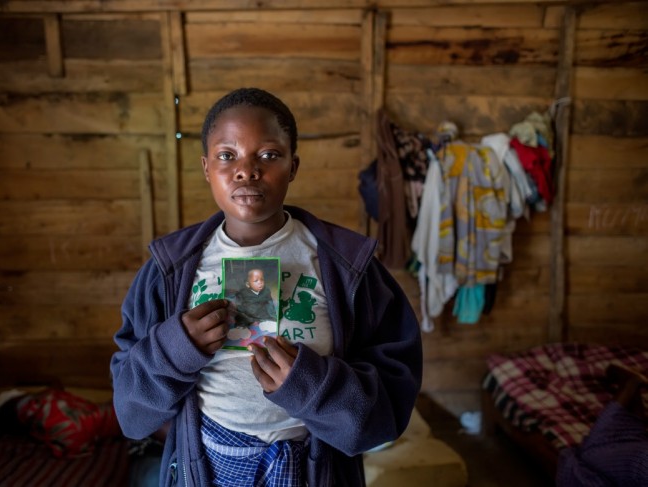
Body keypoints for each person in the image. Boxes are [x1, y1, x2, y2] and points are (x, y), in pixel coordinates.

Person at [110, 87, 423, 486]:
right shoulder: (168, 270)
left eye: (269, 155)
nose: (247, 170)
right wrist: (174, 350)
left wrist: (311, 386)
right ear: (206, 167)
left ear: (293, 166)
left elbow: (387, 415)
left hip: (314, 470)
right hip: (204, 467)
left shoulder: (348, 267)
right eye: (227, 156)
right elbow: (131, 413)